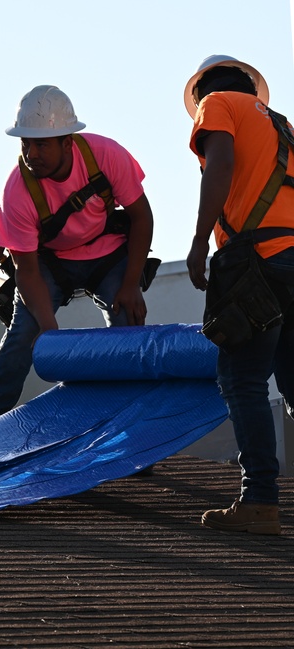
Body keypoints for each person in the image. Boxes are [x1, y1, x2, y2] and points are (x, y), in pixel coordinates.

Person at [0, 85, 155, 425]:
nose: (32, 153)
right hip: (49, 263)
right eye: (26, 143)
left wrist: (131, 284)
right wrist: (49, 330)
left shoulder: (106, 155)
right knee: (23, 333)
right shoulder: (17, 190)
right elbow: (26, 271)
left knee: (127, 323)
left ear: (67, 142)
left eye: (41, 144)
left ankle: (129, 428)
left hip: (106, 252)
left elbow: (141, 217)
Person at [184, 54, 294, 536]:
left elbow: (221, 162)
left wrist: (198, 240)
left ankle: (260, 501)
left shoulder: (216, 103)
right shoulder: (283, 127)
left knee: (242, 377)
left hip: (258, 260)